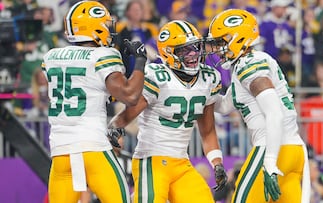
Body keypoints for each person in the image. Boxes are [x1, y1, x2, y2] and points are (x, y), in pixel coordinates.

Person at [108, 20, 227, 203]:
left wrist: (217, 163)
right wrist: (115, 125)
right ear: (169, 52)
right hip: (151, 160)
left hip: (181, 162)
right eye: (184, 50)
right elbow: (131, 111)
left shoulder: (208, 78)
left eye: (195, 47)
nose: (193, 53)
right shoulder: (158, 76)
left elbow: (208, 130)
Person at [41, 1, 147, 203]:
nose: (109, 29)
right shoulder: (103, 55)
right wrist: (140, 60)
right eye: (105, 24)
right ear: (94, 27)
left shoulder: (52, 56)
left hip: (61, 152)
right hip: (93, 148)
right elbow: (131, 96)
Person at [206, 9, 311, 203]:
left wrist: (270, 161)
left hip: (272, 149)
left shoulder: (249, 64)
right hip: (292, 150)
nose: (218, 48)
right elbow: (225, 105)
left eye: (221, 41)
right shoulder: (248, 63)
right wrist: (203, 90)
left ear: (238, 38)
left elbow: (274, 114)